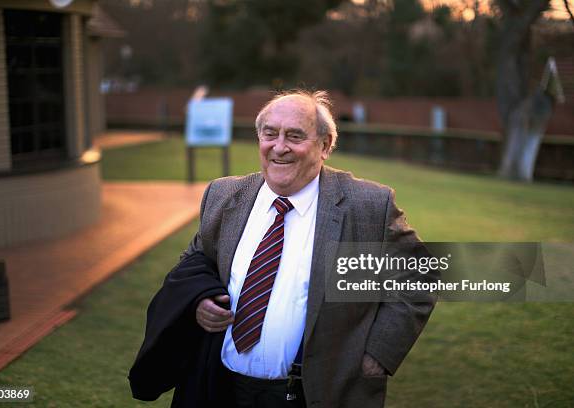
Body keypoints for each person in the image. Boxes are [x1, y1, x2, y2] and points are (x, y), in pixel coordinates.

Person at [130, 90, 436, 408]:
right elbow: (196, 260)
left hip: (316, 393)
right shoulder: (223, 195)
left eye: (295, 135)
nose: (279, 147)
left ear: (326, 145)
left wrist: (379, 354)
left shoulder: (367, 206)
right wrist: (199, 300)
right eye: (270, 134)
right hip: (220, 386)